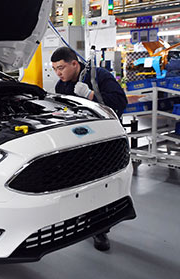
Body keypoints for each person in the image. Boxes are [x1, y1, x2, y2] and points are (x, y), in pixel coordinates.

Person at [51, 46, 128, 252]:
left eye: (61, 68)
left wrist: (91, 95)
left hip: (103, 142)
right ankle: (82, 220)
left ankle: (100, 230)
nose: (58, 73)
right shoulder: (62, 85)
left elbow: (121, 103)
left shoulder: (99, 76)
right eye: (55, 69)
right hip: (78, 142)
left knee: (99, 185)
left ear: (74, 63)